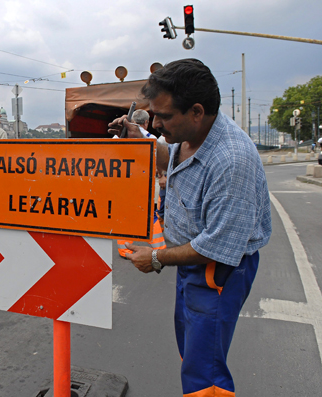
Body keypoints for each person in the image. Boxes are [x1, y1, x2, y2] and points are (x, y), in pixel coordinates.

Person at [108, 59, 272, 397]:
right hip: (192, 266)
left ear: (196, 111)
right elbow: (171, 155)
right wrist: (139, 137)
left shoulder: (231, 160)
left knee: (205, 373)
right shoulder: (192, 136)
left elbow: (217, 246)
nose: (155, 123)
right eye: (152, 115)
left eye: (163, 117)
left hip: (217, 272)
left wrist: (156, 258)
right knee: (193, 352)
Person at [116, 109, 165, 257]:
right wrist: (162, 175)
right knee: (150, 215)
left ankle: (124, 249)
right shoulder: (151, 138)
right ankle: (159, 250)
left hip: (122, 184)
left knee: (125, 214)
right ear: (146, 123)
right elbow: (159, 161)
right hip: (143, 184)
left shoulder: (117, 136)